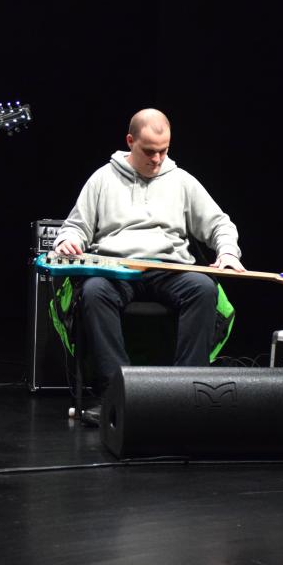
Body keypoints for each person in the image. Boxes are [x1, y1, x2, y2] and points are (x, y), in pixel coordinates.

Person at [53, 108, 244, 414]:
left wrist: (228, 253)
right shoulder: (102, 179)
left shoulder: (181, 181)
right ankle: (116, 394)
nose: (157, 160)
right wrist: (69, 241)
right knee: (92, 291)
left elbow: (220, 225)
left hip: (169, 270)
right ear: (130, 141)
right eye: (149, 151)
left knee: (203, 288)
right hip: (117, 271)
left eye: (164, 151)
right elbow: (75, 227)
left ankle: (188, 391)